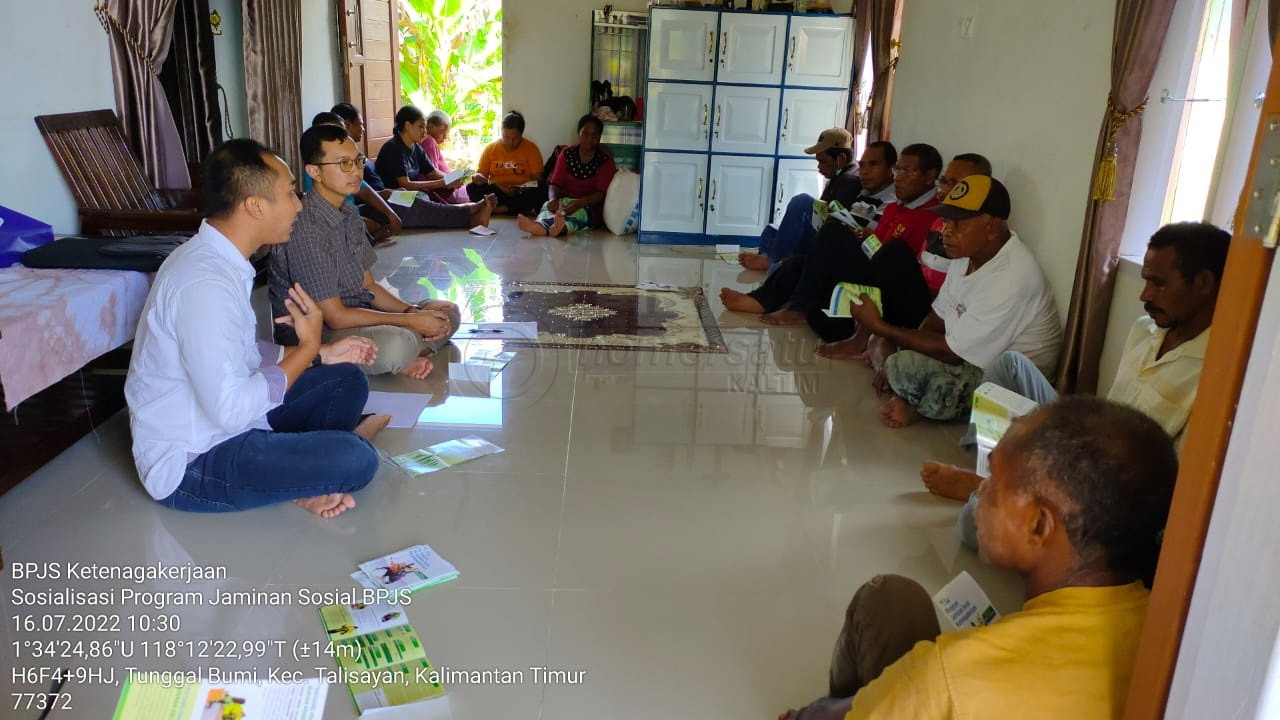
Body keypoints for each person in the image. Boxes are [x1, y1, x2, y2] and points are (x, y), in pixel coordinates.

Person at [779, 397, 1177, 720]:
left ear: (1039, 525)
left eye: (995, 484)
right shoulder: (1176, 639)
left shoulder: (948, 678)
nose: (979, 494)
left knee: (885, 599)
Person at [923, 221, 1228, 549]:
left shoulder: (1218, 373)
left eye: (1158, 284)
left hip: (1112, 493)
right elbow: (1109, 411)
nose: (1144, 295)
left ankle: (994, 484)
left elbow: (1156, 493)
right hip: (1088, 444)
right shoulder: (1144, 330)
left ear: (1204, 284)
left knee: (974, 526)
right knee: (1009, 366)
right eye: (1145, 282)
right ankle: (996, 469)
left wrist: (1059, 471)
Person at [125, 138, 387, 517]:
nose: (299, 204)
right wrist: (309, 348)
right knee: (358, 460)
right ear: (254, 206)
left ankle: (298, 474)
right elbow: (229, 412)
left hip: (241, 421)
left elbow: (239, 354)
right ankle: (312, 468)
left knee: (346, 379)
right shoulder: (204, 284)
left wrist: (322, 353)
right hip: (195, 459)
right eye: (290, 194)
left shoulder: (220, 260)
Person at [842, 175, 1061, 428]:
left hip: (1007, 387)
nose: (945, 232)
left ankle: (915, 403)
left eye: (957, 224)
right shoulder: (965, 256)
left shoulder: (1013, 275)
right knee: (884, 344)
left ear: (991, 226)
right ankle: (909, 396)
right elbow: (936, 321)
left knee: (899, 359)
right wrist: (889, 338)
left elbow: (951, 353)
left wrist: (879, 326)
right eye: (946, 221)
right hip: (966, 355)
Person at [270, 124, 461, 380]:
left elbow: (368, 286)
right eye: (343, 164)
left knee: (449, 313)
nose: (356, 170)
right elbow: (335, 318)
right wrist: (411, 323)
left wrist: (411, 313)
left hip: (358, 314)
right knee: (397, 345)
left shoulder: (348, 212)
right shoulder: (307, 229)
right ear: (314, 171)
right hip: (318, 333)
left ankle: (408, 350)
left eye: (358, 161)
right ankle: (403, 353)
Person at [815, 152, 993, 358]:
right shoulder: (940, 222)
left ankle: (864, 339)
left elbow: (945, 306)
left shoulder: (971, 236)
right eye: (945, 181)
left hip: (932, 311)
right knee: (818, 309)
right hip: (926, 308)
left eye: (957, 184)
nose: (945, 190)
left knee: (893, 252)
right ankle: (867, 336)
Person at [754, 143, 945, 328]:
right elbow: (877, 246)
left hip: (891, 287)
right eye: (899, 170)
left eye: (907, 171)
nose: (899, 177)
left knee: (828, 232)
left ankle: (799, 307)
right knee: (798, 262)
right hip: (871, 265)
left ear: (929, 176)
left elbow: (900, 263)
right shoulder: (896, 206)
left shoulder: (933, 217)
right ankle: (760, 300)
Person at [721, 140, 896, 313]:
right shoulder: (862, 193)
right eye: (862, 165)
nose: (864, 172)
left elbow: (876, 243)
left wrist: (852, 230)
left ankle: (782, 281)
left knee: (802, 204)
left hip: (853, 255)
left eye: (873, 165)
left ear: (891, 168)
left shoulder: (885, 199)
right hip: (836, 243)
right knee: (779, 241)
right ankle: (760, 299)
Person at [738, 129, 874, 273]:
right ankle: (775, 262)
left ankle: (772, 260)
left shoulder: (850, 181)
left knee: (801, 202)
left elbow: (832, 226)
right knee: (770, 230)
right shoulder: (839, 177)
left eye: (823, 161)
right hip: (818, 236)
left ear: (840, 159)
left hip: (826, 244)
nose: (819, 167)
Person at [374, 105, 495, 229]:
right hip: (391, 198)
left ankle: (472, 213)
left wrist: (450, 179)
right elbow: (405, 184)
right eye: (421, 127)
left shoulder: (416, 148)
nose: (424, 132)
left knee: (426, 202)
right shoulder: (394, 148)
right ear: (408, 126)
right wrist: (441, 183)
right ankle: (471, 214)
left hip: (411, 195)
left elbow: (432, 172)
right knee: (425, 204)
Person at [307, 111, 403, 244]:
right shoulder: (318, 171)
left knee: (401, 203)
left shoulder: (346, 162)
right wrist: (368, 227)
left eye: (359, 161)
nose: (356, 171)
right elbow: (334, 216)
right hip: (346, 220)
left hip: (355, 213)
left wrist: (391, 215)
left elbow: (364, 191)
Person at [533, 114, 617, 232]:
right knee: (547, 206)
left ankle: (561, 228)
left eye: (594, 135)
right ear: (579, 133)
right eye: (585, 133)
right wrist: (553, 200)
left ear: (599, 137)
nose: (589, 139)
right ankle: (540, 226)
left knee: (581, 215)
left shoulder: (605, 159)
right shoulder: (567, 153)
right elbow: (555, 184)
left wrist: (580, 203)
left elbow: (601, 194)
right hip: (566, 202)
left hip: (589, 205)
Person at [469, 110, 548, 215]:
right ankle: (515, 208)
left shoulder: (531, 148)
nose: (510, 142)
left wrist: (519, 188)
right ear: (501, 131)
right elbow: (481, 175)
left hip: (521, 192)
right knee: (471, 188)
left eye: (515, 138)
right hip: (497, 190)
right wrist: (478, 177)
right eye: (506, 137)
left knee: (543, 191)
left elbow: (538, 180)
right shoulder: (490, 149)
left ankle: (500, 209)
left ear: (521, 134)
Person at [419, 109, 476, 205]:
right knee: (474, 194)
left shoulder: (429, 141)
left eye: (447, 133)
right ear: (431, 126)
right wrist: (452, 179)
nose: (445, 137)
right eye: (443, 132)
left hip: (446, 184)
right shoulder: (429, 141)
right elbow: (432, 174)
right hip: (444, 189)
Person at [330, 102, 384, 192]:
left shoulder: (356, 153)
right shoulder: (342, 159)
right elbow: (359, 193)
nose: (363, 129)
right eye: (361, 124)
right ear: (347, 125)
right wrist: (386, 194)